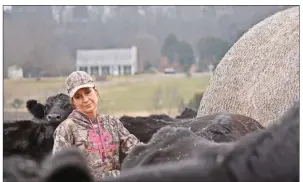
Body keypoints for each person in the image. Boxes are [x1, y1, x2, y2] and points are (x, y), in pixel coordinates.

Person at [52, 71, 141, 180]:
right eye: (78, 97)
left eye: (88, 92)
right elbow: (59, 171)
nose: (85, 100)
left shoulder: (112, 122)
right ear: (73, 102)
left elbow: (138, 150)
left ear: (96, 92)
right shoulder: (66, 129)